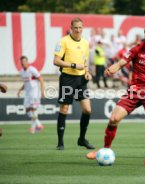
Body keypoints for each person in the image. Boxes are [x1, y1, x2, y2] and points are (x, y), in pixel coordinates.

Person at [86, 23, 145, 167]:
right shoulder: (138, 49)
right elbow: (121, 62)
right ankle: (105, 150)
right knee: (113, 119)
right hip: (134, 91)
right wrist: (113, 68)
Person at [53, 17, 94, 150]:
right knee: (64, 109)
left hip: (81, 79)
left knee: (87, 110)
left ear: (83, 28)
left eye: (80, 27)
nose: (78, 30)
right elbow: (56, 61)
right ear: (71, 28)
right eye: (75, 27)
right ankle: (60, 142)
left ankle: (82, 139)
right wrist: (73, 65)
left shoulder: (86, 43)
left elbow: (85, 59)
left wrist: (87, 71)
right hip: (67, 78)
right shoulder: (63, 41)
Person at [17, 56, 45, 134]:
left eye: (24, 62)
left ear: (27, 62)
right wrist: (20, 90)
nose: (23, 63)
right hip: (27, 93)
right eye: (22, 62)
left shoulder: (32, 70)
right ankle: (39, 125)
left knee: (33, 109)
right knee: (27, 109)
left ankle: (33, 128)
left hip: (34, 92)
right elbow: (25, 83)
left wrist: (42, 91)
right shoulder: (22, 71)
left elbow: (41, 79)